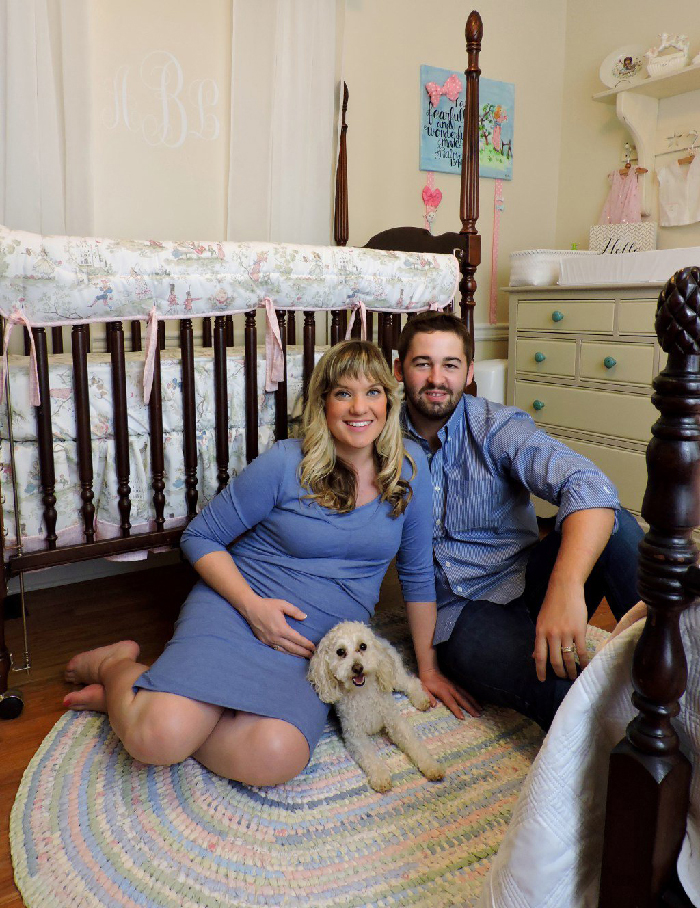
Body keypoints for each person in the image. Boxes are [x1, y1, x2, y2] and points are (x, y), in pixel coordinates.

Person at [63, 340, 477, 787]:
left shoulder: (410, 472)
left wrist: (428, 669)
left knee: (274, 757)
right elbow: (200, 537)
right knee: (155, 739)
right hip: (241, 607)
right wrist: (254, 609)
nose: (360, 407)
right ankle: (117, 669)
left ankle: (167, 702)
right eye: (343, 393)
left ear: (389, 401)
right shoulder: (285, 462)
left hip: (318, 644)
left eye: (373, 392)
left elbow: (416, 578)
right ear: (323, 402)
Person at [393, 311, 644, 730]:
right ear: (400, 367)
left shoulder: (497, 427)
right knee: (569, 694)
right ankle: (632, 757)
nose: (437, 378)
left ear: (469, 371)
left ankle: (678, 656)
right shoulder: (379, 438)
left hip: (528, 578)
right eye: (423, 363)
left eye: (450, 365)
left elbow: (588, 484)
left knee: (616, 525)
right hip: (461, 610)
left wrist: (564, 589)